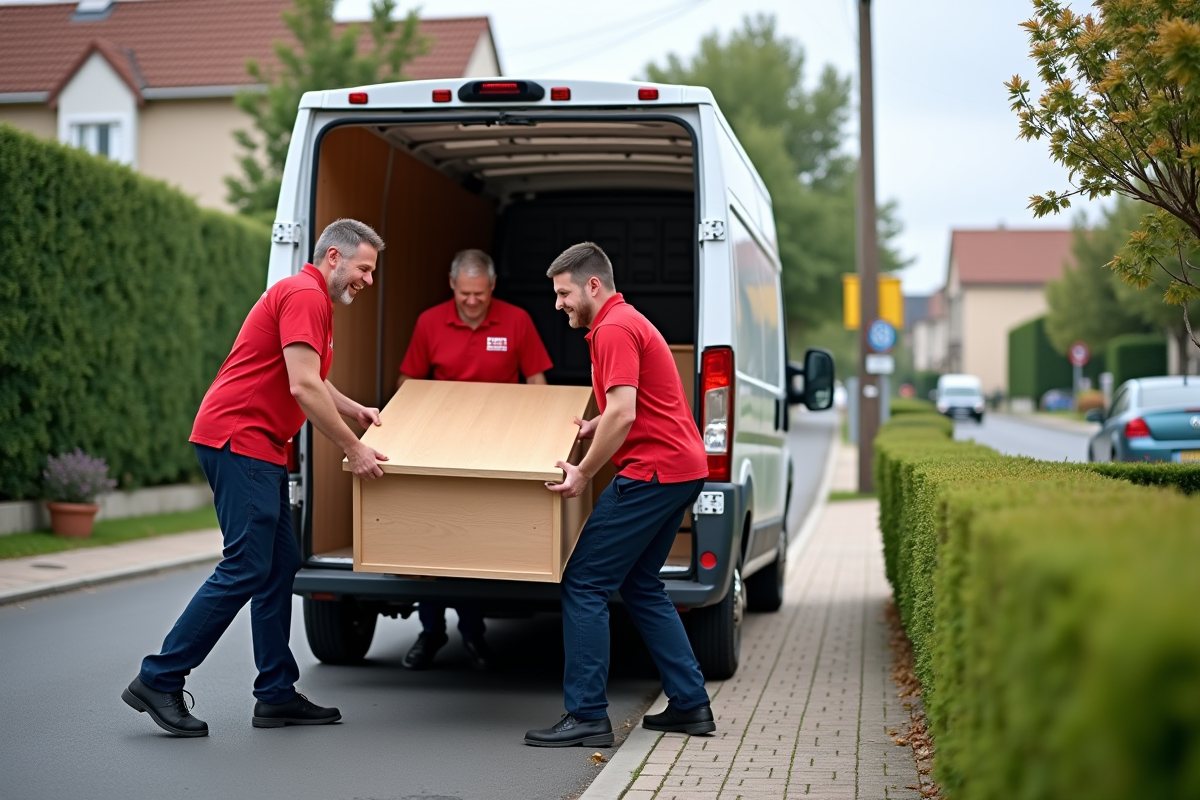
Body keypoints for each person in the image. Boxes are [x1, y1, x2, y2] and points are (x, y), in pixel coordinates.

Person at [122, 219, 389, 738]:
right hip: (238, 439)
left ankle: (275, 695)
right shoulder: (304, 295)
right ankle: (159, 677)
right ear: (333, 257)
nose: (368, 280)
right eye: (364, 268)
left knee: (280, 562)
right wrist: (353, 449)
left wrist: (354, 409)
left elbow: (313, 378)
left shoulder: (313, 300)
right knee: (246, 563)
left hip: (258, 446)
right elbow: (302, 387)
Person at [524, 242, 715, 748]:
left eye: (564, 293)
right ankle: (691, 704)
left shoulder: (611, 328)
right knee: (641, 584)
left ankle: (586, 714)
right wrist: (597, 424)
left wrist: (585, 473)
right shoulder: (626, 321)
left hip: (654, 473)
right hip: (681, 468)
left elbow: (626, 411)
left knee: (584, 582)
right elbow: (628, 409)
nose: (558, 304)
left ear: (592, 285)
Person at [397, 248, 553, 671]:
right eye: (465, 293)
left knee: (474, 546)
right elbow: (407, 382)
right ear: (452, 285)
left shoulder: (516, 320)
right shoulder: (430, 321)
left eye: (479, 294)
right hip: (441, 446)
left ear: (492, 287)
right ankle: (431, 633)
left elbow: (537, 383)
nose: (471, 301)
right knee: (430, 545)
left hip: (498, 448)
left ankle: (473, 635)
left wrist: (540, 440)